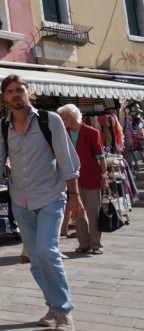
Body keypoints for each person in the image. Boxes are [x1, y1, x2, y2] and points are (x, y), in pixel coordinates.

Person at [0, 75, 82, 331]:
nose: (15, 95)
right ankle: (53, 306)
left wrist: (75, 195)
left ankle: (64, 312)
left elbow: (67, 158)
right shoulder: (1, 127)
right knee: (35, 258)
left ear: (29, 92)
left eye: (19, 90)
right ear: (4, 97)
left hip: (51, 196)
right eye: (10, 91)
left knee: (47, 251)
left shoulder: (50, 120)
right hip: (21, 201)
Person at [57, 104, 107, 254]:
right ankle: (83, 243)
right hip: (72, 178)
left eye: (65, 117)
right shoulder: (63, 133)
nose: (63, 120)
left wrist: (104, 176)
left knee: (93, 212)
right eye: (62, 117)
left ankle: (96, 244)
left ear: (73, 117)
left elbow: (101, 157)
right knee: (77, 211)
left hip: (91, 176)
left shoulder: (92, 132)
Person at [123, 102, 144, 172]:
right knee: (130, 158)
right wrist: (130, 141)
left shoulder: (140, 119)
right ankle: (129, 170)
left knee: (136, 156)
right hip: (131, 141)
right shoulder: (128, 118)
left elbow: (140, 127)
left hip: (139, 140)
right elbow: (127, 130)